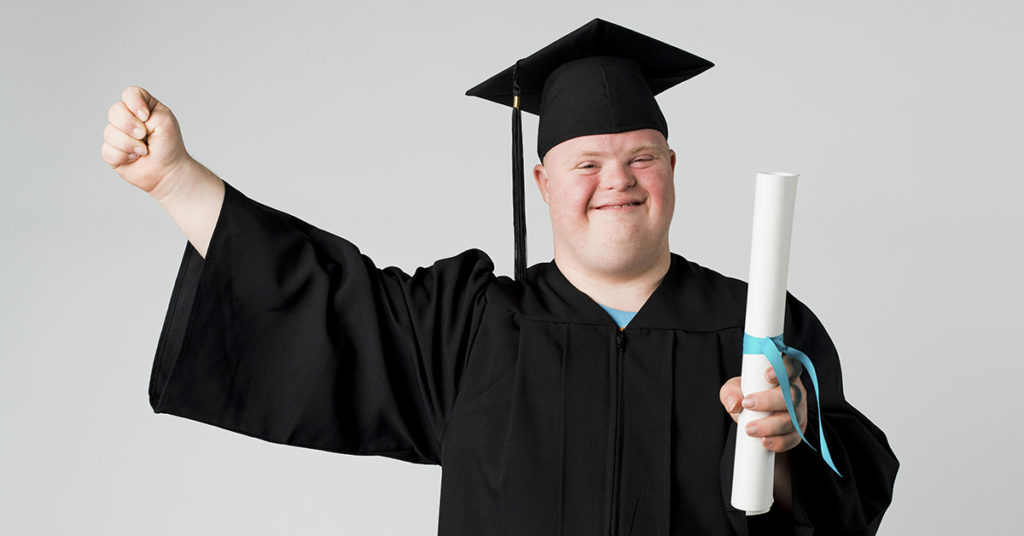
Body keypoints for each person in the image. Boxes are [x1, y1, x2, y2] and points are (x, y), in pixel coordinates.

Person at [101, 19, 897, 535]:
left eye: (640, 158)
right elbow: (324, 302)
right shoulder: (473, 327)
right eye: (586, 162)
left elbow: (842, 513)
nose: (616, 181)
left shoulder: (758, 326)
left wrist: (791, 441)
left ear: (672, 171)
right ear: (544, 182)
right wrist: (177, 181)